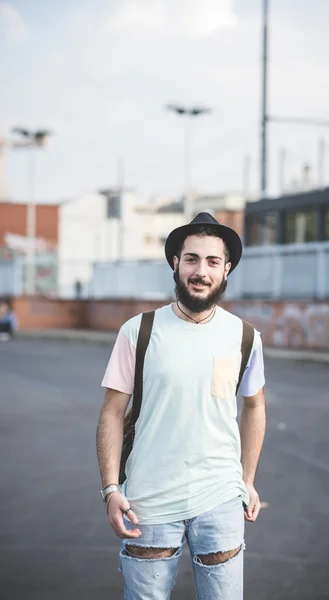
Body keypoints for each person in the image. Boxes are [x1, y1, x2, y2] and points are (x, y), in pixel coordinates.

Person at [96, 212, 266, 599]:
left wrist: (248, 480)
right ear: (175, 263)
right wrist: (110, 489)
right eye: (191, 259)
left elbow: (254, 407)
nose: (200, 271)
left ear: (227, 269)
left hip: (220, 498)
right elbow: (111, 412)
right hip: (148, 502)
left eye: (212, 261)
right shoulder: (139, 331)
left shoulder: (244, 336)